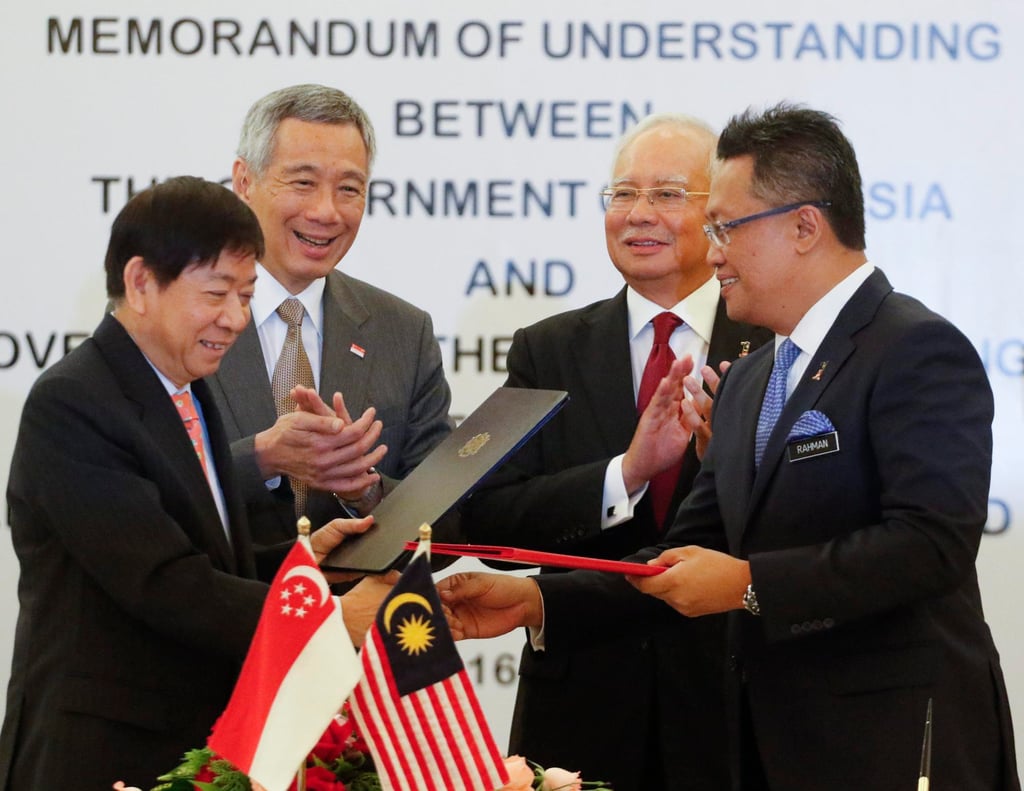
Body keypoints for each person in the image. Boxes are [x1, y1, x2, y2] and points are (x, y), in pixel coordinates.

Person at [442, 104, 1020, 790]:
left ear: (805, 226)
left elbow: (930, 544)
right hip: (769, 750)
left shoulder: (915, 348)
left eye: (726, 227)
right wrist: (537, 603)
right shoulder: (751, 377)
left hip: (892, 744)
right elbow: (680, 552)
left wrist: (749, 585)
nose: (712, 251)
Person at [0, 177, 391, 790]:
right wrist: (329, 617)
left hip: (192, 744)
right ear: (140, 284)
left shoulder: (187, 386)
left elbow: (202, 547)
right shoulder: (73, 402)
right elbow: (163, 582)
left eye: (246, 294)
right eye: (216, 294)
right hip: (102, 754)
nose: (235, 319)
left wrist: (300, 566)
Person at [461, 114, 770, 790]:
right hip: (581, 713)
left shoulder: (773, 340)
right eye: (622, 194)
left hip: (733, 709)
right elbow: (487, 519)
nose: (638, 214)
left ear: (718, 216)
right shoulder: (549, 348)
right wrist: (623, 474)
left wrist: (732, 467)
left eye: (666, 195)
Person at [206, 84, 455, 560]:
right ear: (243, 181)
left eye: (349, 189)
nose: (326, 211)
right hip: (212, 623)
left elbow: (443, 530)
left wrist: (364, 489)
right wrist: (261, 458)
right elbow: (135, 489)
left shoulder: (403, 332)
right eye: (302, 182)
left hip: (355, 624)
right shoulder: (179, 317)